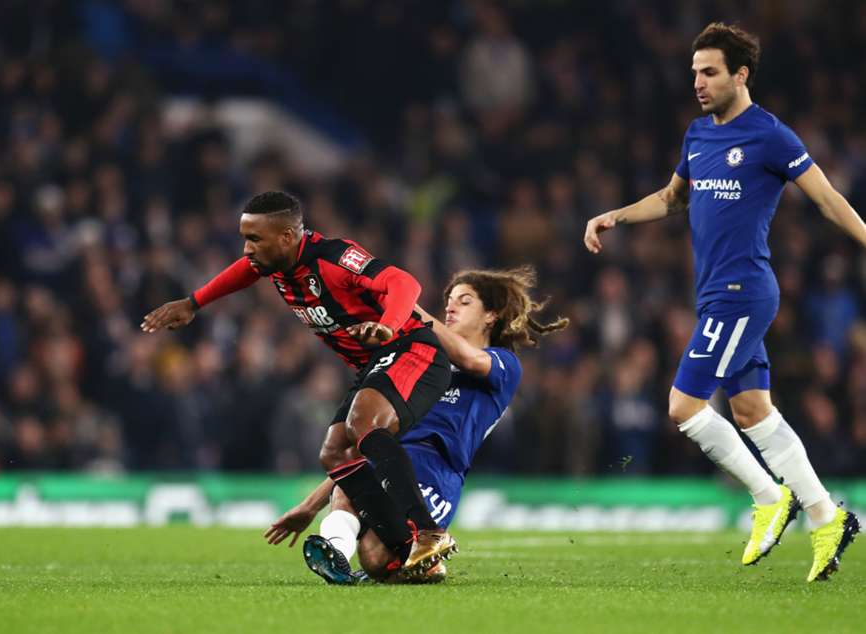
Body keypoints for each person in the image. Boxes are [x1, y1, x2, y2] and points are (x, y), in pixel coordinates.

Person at [583, 23, 863, 582]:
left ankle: (768, 498)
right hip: (715, 293)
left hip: (742, 293)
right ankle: (826, 516)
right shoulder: (697, 134)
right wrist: (616, 215)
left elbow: (828, 199)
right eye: (694, 72)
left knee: (682, 406)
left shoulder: (771, 136)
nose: (698, 82)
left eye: (709, 72)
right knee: (752, 410)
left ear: (741, 75)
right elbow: (672, 199)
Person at [141, 191, 455, 571]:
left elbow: (403, 282)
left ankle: (429, 532)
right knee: (335, 452)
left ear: (287, 236)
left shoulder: (334, 258)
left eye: (254, 239)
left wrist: (387, 325)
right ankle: (408, 551)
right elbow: (245, 270)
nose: (247, 249)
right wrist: (194, 303)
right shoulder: (274, 263)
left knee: (362, 423)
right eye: (245, 238)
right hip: (375, 365)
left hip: (412, 350)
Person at [264, 266, 568, 583]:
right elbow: (367, 446)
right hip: (393, 456)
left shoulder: (504, 363)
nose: (451, 307)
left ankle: (411, 561)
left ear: (491, 316)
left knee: (374, 559)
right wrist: (310, 506)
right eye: (449, 301)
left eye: (464, 301)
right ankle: (337, 555)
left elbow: (468, 359)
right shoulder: (422, 363)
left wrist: (407, 305)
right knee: (350, 482)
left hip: (437, 469)